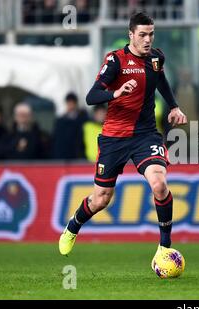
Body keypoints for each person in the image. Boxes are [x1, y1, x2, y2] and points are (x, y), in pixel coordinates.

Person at [59, 12, 188, 258]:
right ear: (131, 35)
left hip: (146, 135)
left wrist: (173, 106)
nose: (148, 39)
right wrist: (115, 93)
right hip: (114, 137)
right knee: (101, 199)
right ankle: (73, 226)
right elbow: (91, 96)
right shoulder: (116, 60)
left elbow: (160, 79)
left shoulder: (156, 57)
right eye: (142, 35)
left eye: (151, 34)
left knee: (159, 185)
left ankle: (164, 247)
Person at [52, 92, 88, 160]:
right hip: (63, 156)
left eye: (72, 103)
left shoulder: (83, 119)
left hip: (77, 156)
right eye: (69, 103)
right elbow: (56, 140)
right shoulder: (60, 121)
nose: (70, 105)